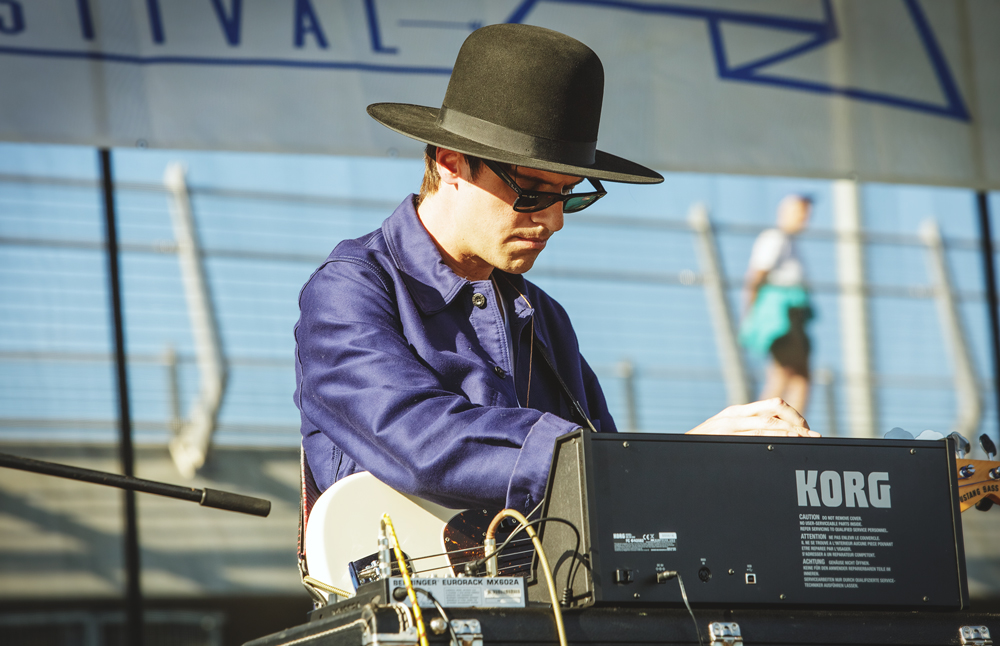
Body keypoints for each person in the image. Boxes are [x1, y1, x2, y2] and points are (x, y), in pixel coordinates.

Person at [294, 24, 817, 517]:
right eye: (532, 191)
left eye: (569, 196)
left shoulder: (545, 317)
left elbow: (608, 481)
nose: (554, 220)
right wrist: (664, 459)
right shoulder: (349, 290)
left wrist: (671, 467)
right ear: (451, 162)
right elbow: (422, 443)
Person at [739, 194, 815, 413]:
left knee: (800, 373)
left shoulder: (790, 242)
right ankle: (762, 425)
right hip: (782, 316)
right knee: (784, 371)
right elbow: (757, 276)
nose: (805, 218)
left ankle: (791, 429)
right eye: (800, 211)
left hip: (793, 314)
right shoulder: (775, 238)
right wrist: (750, 315)